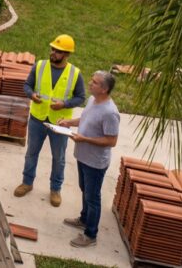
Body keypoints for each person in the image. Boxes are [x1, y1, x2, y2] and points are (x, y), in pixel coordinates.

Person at [13, 34, 85, 207]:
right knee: (32, 153)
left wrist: (65, 104)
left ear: (67, 54)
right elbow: (26, 86)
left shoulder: (75, 74)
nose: (53, 52)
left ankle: (55, 189)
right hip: (37, 118)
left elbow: (81, 97)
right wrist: (32, 95)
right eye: (52, 49)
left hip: (60, 123)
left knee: (58, 158)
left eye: (58, 51)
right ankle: (27, 182)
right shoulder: (40, 66)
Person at [58, 70, 120, 248]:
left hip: (95, 162)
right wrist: (69, 123)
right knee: (84, 189)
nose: (90, 83)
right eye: (92, 80)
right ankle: (84, 219)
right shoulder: (93, 100)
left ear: (104, 89)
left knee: (93, 197)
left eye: (95, 82)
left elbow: (111, 140)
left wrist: (84, 139)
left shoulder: (110, 113)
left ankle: (90, 235)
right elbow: (85, 119)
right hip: (83, 156)